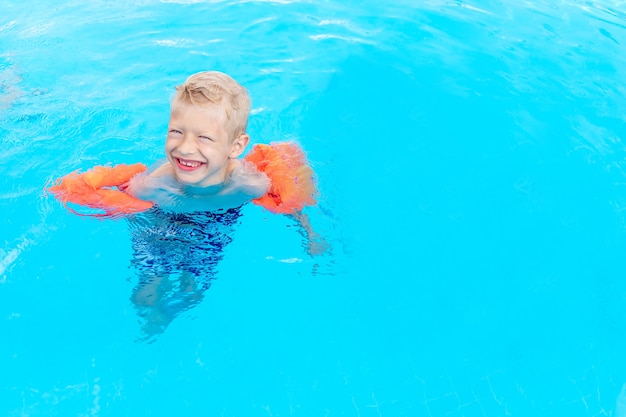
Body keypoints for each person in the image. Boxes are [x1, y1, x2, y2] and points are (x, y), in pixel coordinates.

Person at [122, 71, 324, 338]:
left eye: (203, 138)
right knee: (144, 295)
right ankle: (144, 330)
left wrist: (310, 235)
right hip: (163, 224)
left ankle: (164, 320)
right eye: (176, 132)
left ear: (236, 146)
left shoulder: (246, 185)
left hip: (214, 224)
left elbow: (288, 204)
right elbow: (129, 209)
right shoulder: (155, 183)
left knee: (192, 292)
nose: (185, 148)